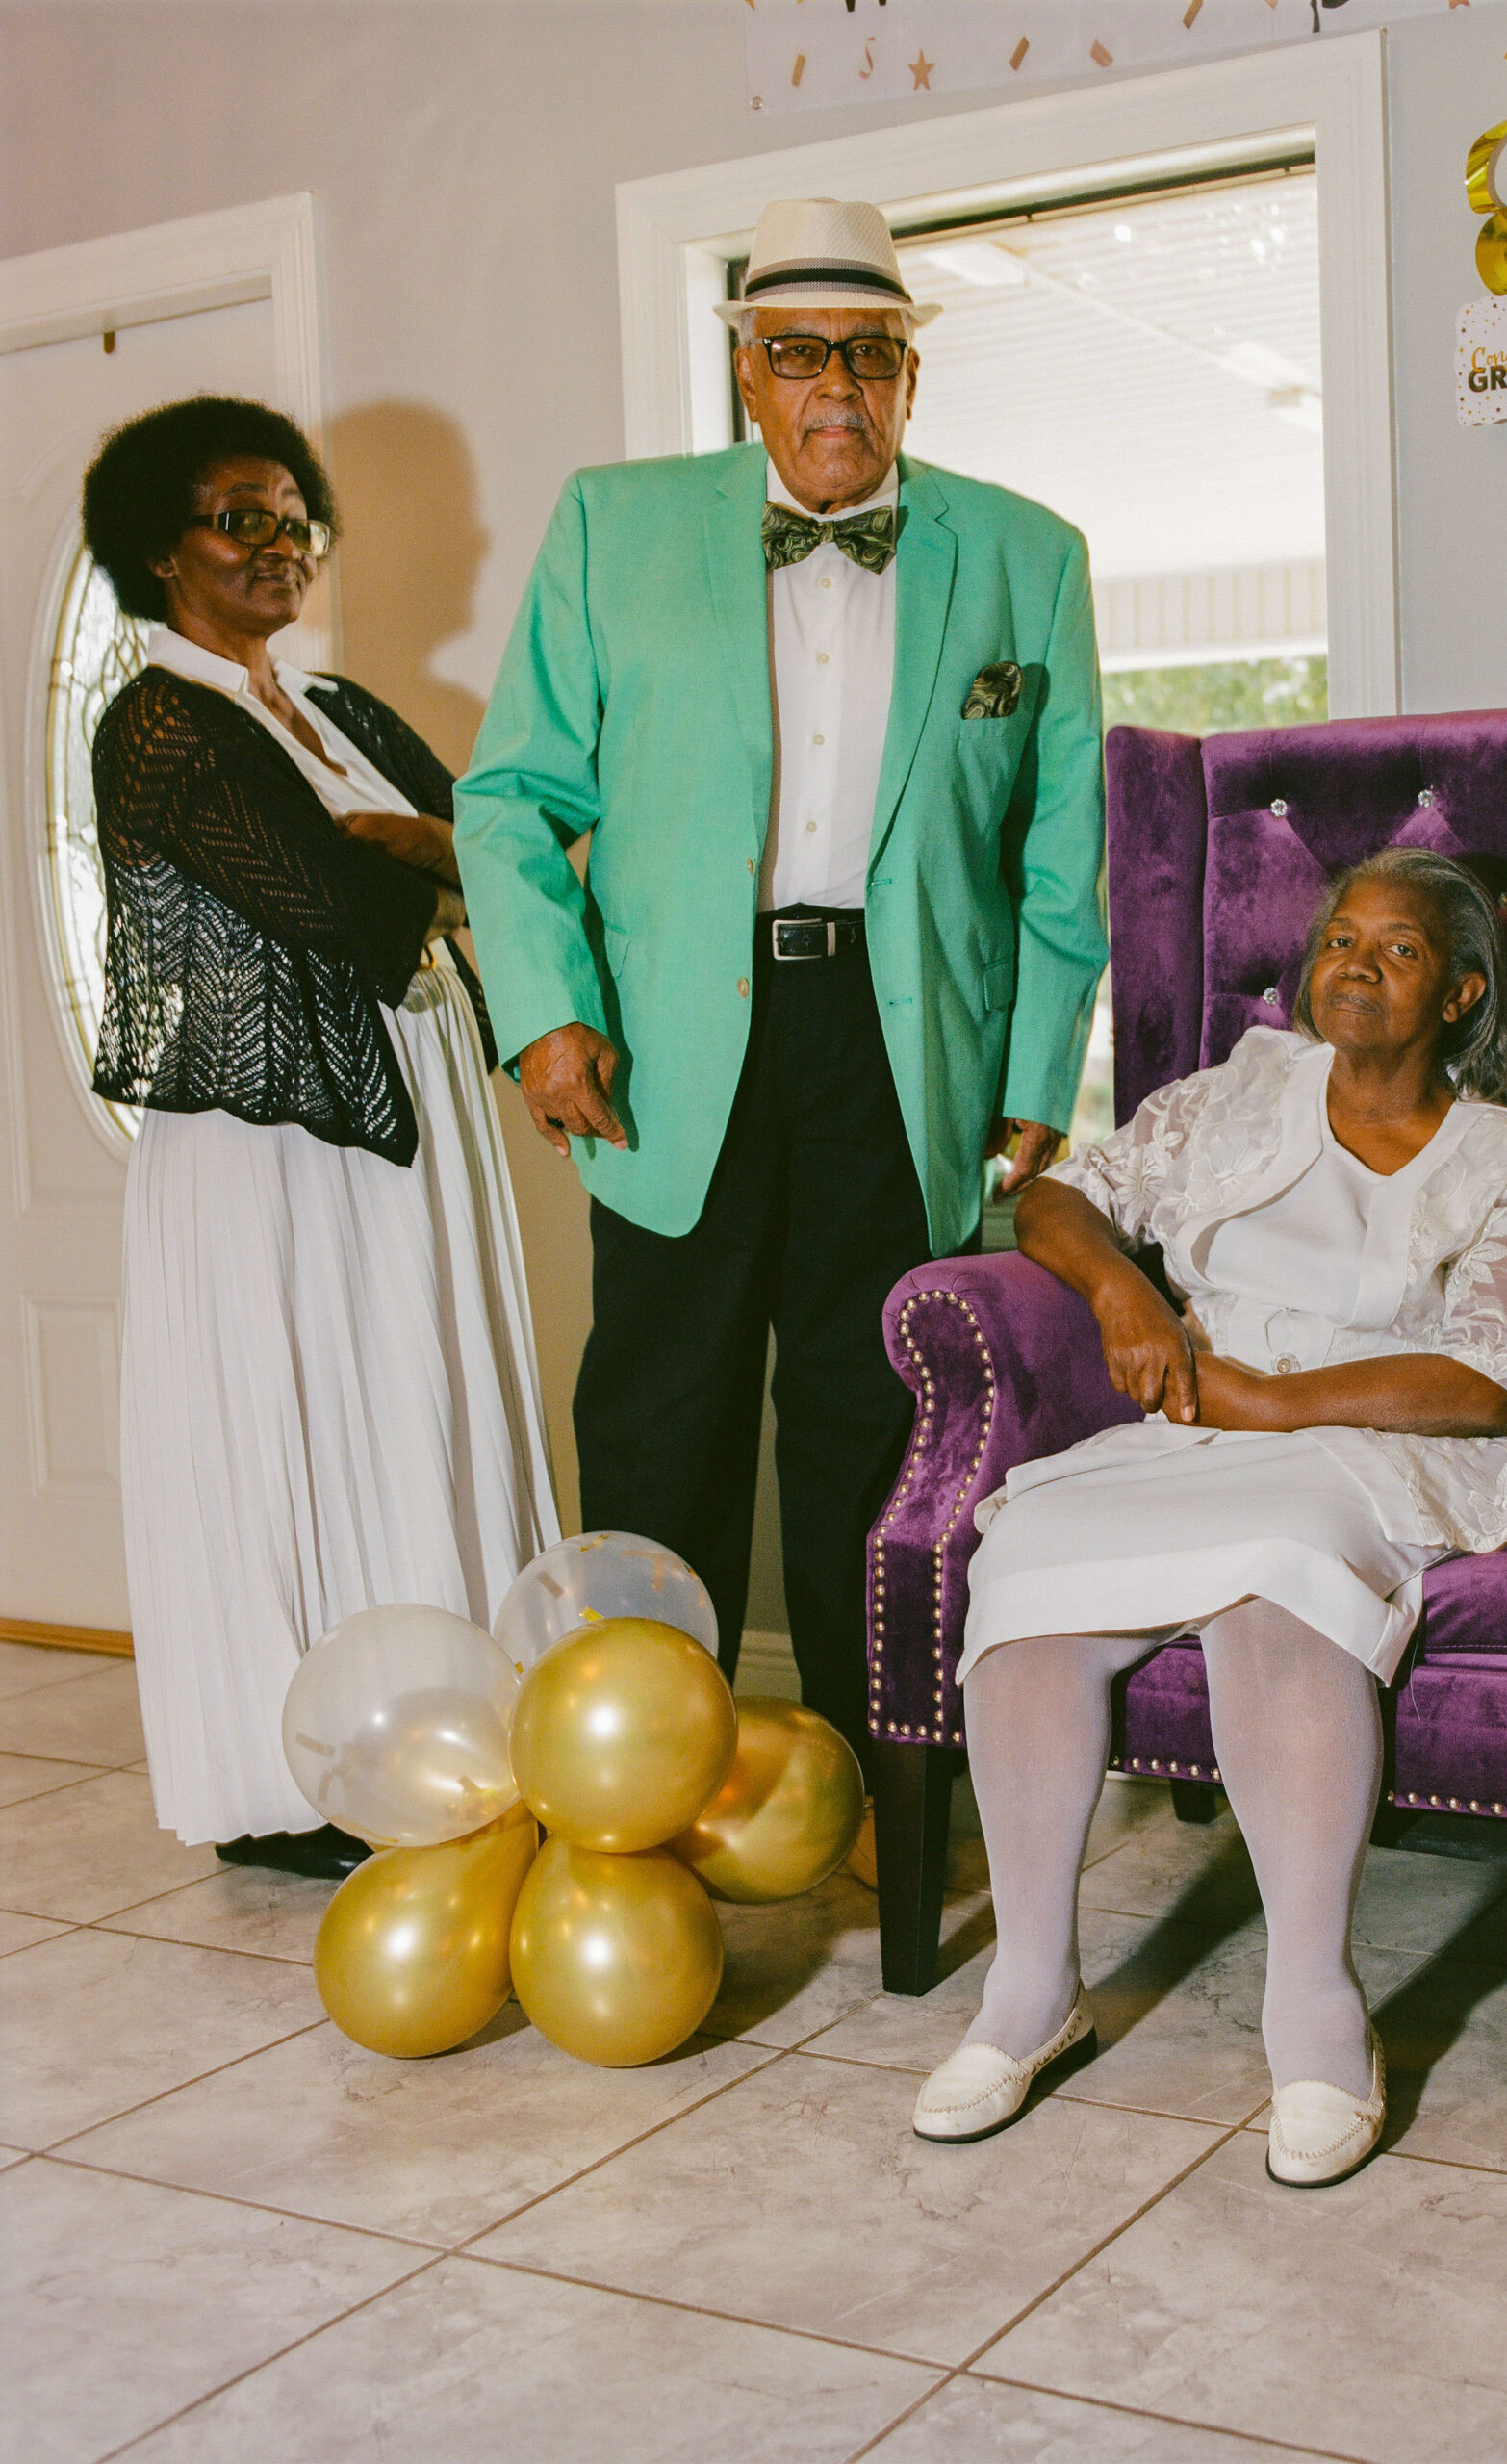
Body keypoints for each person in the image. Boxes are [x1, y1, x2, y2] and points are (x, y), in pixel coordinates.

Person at [455, 199, 1106, 1758]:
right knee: (657, 1416)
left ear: (910, 378)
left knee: (874, 1430)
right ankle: (640, 1776)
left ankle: (878, 1781)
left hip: (902, 1050)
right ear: (747, 372)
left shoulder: (1030, 556)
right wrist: (548, 1014)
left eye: (870, 356)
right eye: (800, 352)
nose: (838, 389)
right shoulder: (614, 525)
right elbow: (512, 800)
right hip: (668, 1043)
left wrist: (1029, 1082)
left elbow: (1061, 856)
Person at [912, 851, 1507, 2185]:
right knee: (1031, 1566)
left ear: (1461, 994)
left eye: (1397, 951)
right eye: (1340, 938)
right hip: (1195, 1416)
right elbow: (1057, 1197)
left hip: (1369, 1438)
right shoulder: (1242, 1088)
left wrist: (1270, 1405)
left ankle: (1314, 2011)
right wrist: (1127, 1300)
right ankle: (1033, 1992)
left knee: (1284, 1569)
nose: (1353, 963)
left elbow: (1495, 1383)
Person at [82, 395, 559, 1879]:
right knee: (300, 1415)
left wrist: (441, 852)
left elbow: (506, 848)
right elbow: (344, 912)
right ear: (164, 550)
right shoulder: (159, 724)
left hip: (404, 1110)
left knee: (420, 1396)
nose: (283, 544)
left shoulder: (335, 710)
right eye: (244, 518)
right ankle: (293, 1778)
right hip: (270, 1145)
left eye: (297, 519)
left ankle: (457, 1733)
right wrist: (441, 861)